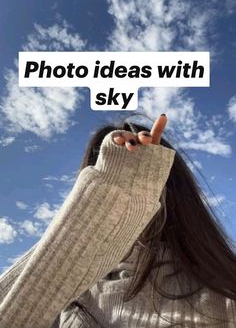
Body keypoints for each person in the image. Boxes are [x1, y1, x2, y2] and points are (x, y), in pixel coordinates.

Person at [0, 114, 235, 327]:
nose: (119, 195)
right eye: (101, 187)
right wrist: (92, 216)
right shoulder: (69, 300)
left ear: (172, 193)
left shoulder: (224, 295)